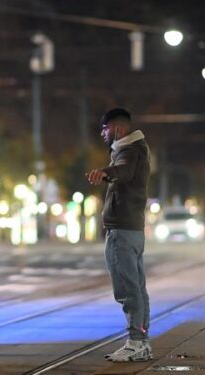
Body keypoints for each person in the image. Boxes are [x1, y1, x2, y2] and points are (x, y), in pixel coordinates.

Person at [87, 108, 152, 362]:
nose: (103, 134)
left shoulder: (128, 151)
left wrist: (106, 172)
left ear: (118, 129)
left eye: (105, 129)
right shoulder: (137, 149)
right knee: (138, 288)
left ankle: (136, 341)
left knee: (127, 288)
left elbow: (123, 171)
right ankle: (142, 341)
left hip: (123, 231)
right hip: (132, 229)